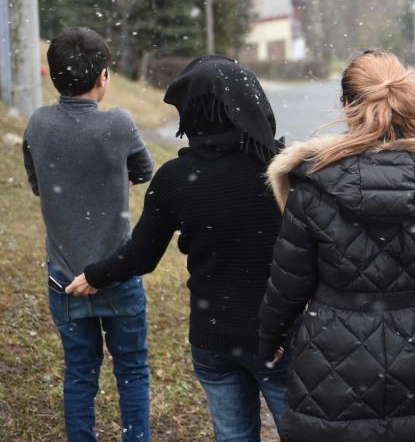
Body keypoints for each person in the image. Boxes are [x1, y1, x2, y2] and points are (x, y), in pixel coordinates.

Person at [258, 50, 415, 442]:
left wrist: (272, 337)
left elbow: (289, 280)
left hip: (333, 354)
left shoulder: (313, 182)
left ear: (347, 105)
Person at [66, 55, 287, 442]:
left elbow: (141, 256)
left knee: (234, 436)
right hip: (280, 337)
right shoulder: (283, 171)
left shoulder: (174, 178)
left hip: (213, 339)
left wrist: (94, 276)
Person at [23, 27, 154, 442]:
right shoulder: (118, 123)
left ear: (53, 75)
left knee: (79, 372)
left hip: (63, 280)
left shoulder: (38, 124)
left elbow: (39, 183)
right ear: (103, 77)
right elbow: (144, 171)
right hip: (116, 274)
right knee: (131, 370)